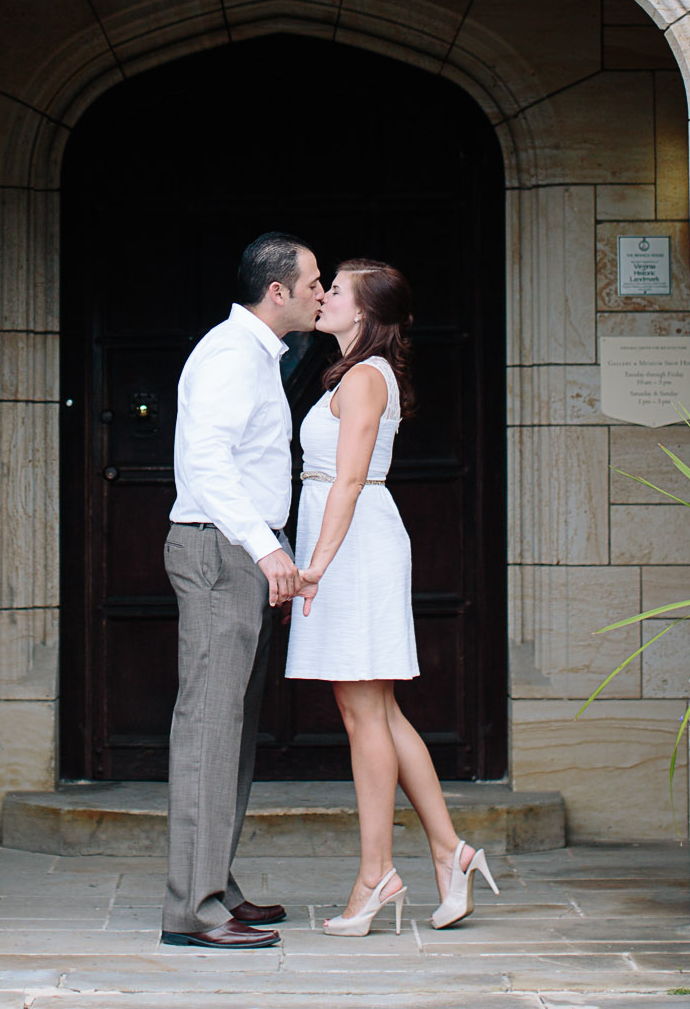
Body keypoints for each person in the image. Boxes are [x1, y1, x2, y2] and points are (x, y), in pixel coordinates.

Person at [287, 259, 497, 936]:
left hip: (353, 548)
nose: (322, 296)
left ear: (364, 311)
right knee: (376, 709)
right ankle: (450, 851)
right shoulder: (356, 373)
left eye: (335, 290)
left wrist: (315, 567)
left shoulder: (365, 377)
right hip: (351, 541)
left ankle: (376, 873)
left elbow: (348, 480)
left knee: (363, 714)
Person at [162, 231, 322, 950]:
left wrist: (270, 551)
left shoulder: (260, 355)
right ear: (277, 291)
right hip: (220, 550)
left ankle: (215, 886)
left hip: (241, 552)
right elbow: (208, 461)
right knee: (209, 727)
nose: (322, 294)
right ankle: (192, 910)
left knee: (232, 729)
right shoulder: (231, 353)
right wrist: (265, 548)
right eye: (314, 283)